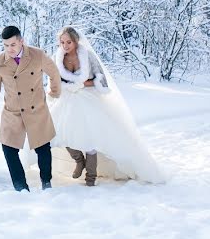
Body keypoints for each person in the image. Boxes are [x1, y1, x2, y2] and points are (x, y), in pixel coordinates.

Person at [48, 26, 164, 185]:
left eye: (69, 42)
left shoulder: (87, 56)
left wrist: (81, 84)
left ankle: (91, 176)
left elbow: (100, 79)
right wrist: (62, 88)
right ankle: (78, 160)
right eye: (62, 42)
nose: (65, 45)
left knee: (90, 138)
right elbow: (54, 79)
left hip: (88, 98)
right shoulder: (58, 57)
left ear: (75, 41)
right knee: (62, 134)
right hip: (67, 99)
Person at [0, 25, 63, 191]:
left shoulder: (37, 55)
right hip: (13, 112)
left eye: (12, 45)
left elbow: (54, 72)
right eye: (5, 45)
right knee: (8, 149)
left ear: (21, 42)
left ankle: (46, 183)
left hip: (36, 109)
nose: (9, 49)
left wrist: (54, 92)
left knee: (43, 148)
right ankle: (20, 187)